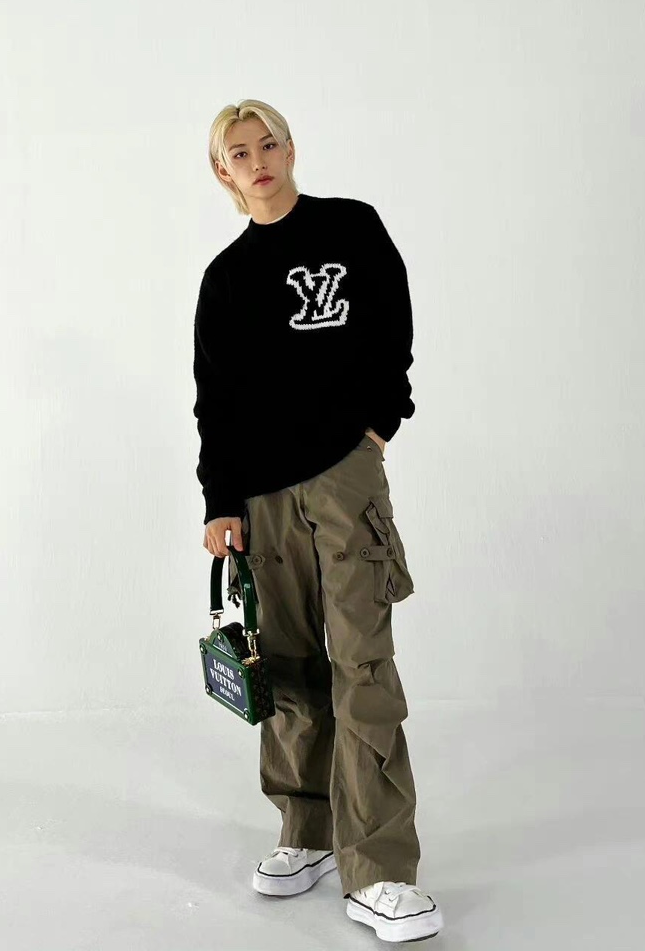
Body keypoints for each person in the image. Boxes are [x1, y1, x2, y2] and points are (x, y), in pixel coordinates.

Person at [192, 99, 443, 943]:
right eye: (240, 152)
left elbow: (393, 333)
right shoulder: (226, 279)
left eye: (269, 143)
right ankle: (307, 829)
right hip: (261, 500)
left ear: (291, 149)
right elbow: (216, 404)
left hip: (343, 478)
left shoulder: (350, 228)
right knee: (290, 668)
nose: (258, 160)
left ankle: (380, 869)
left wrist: (377, 429)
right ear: (222, 172)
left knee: (362, 664)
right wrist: (221, 503)